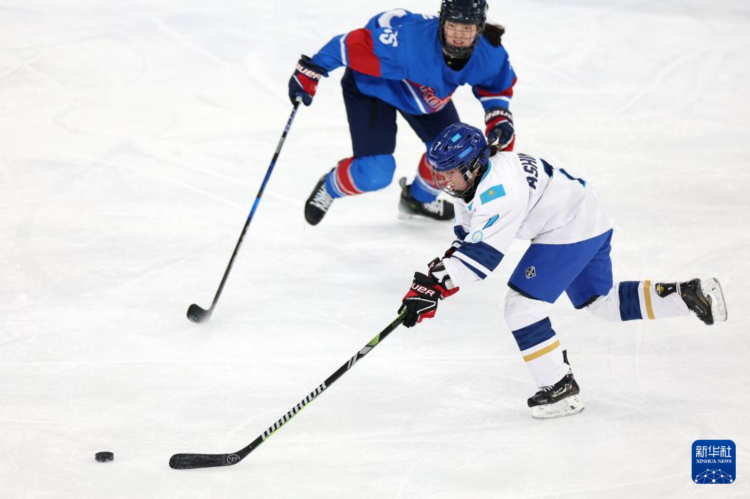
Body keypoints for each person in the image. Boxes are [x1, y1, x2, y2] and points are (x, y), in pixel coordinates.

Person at [398, 122, 728, 419]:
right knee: (603, 303)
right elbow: (467, 241)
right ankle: (689, 296)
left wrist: (435, 286)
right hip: (584, 215)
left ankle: (559, 387)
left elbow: (480, 257)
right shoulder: (470, 182)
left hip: (570, 227)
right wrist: (434, 283)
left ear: (473, 166)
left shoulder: (499, 192)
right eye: (440, 172)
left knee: (521, 307)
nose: (443, 180)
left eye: (449, 172)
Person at [288, 0, 518, 225]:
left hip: (425, 96)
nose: (458, 36)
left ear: (479, 28)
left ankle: (416, 201)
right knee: (375, 173)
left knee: (456, 156)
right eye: (452, 26)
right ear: (442, 22)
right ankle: (330, 186)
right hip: (374, 88)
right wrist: (311, 70)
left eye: (466, 29)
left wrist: (498, 116)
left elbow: (495, 85)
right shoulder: (408, 43)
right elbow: (346, 46)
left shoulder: (489, 53)